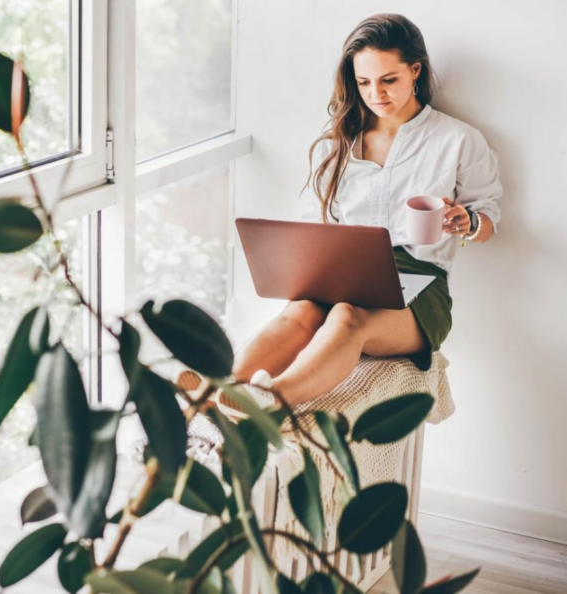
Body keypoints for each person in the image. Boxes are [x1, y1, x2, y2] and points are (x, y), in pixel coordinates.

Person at [183, 13, 502, 415]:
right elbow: (313, 224)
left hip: (420, 281)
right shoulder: (338, 141)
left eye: (389, 80)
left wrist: (469, 222)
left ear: (415, 70)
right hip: (344, 268)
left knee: (348, 318)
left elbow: (488, 220)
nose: (376, 94)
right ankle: (219, 393)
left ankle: (271, 402)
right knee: (299, 312)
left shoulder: (458, 140)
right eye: (363, 82)